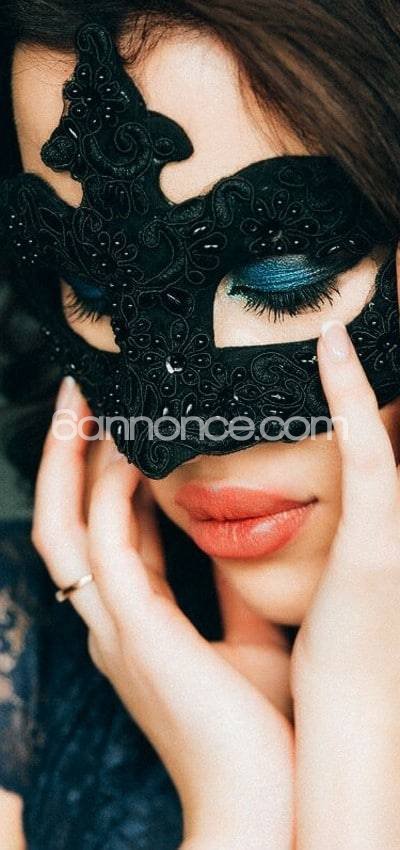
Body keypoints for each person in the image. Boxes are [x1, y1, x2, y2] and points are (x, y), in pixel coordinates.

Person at [1, 2, 400, 848]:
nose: (172, 431)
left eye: (285, 275)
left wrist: (356, 769)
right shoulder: (17, 652)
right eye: (96, 294)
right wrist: (239, 806)